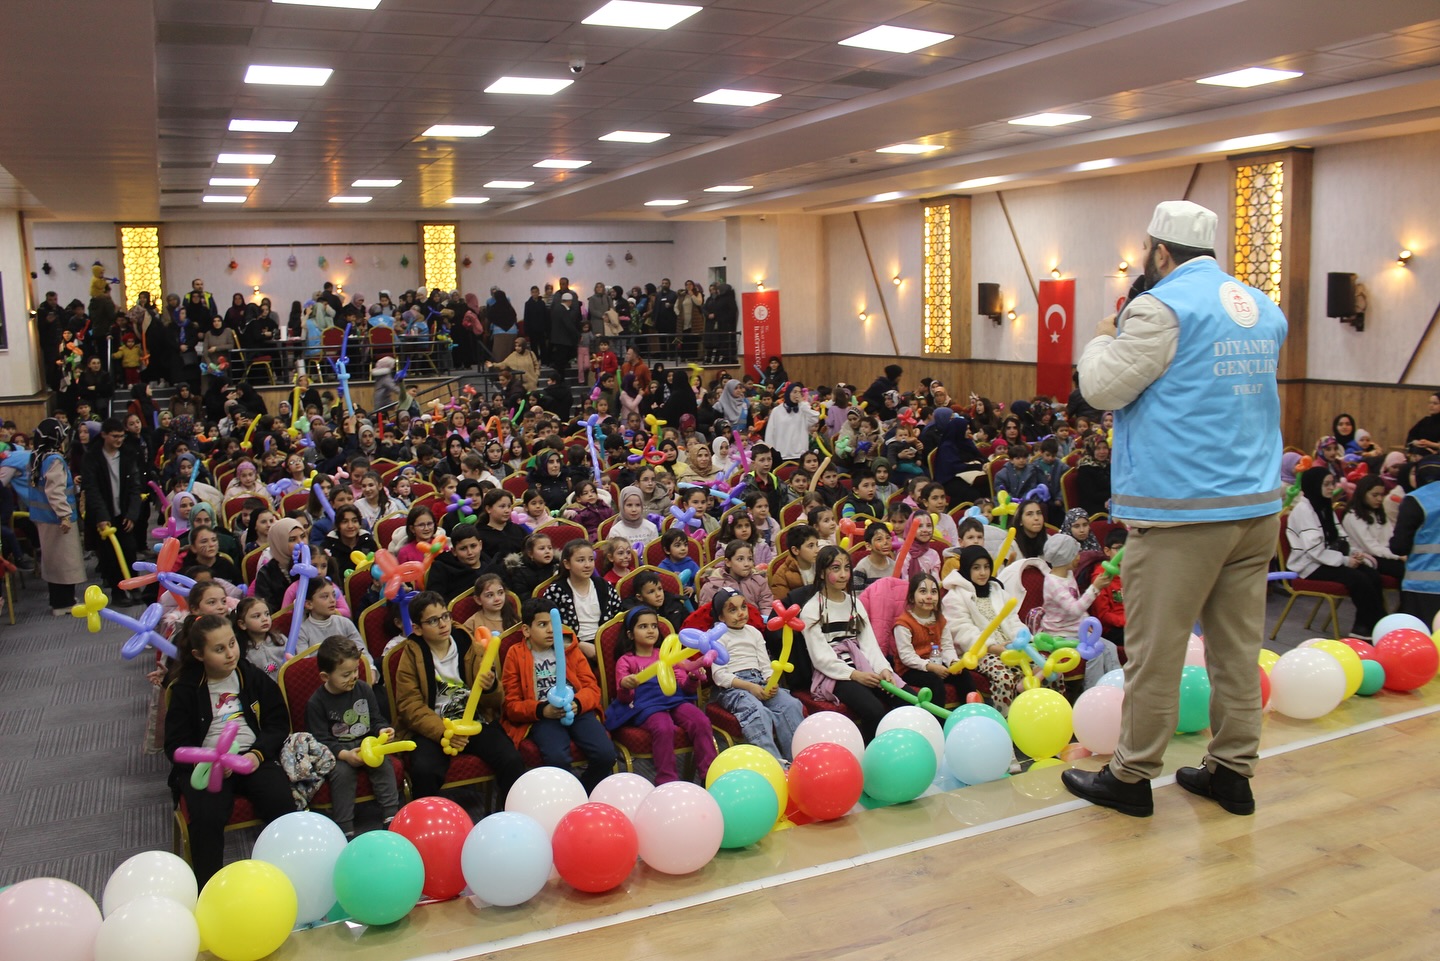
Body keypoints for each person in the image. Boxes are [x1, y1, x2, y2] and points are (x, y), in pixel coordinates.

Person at [1063, 199, 1287, 819]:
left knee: (1156, 652)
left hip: (1183, 512)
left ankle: (1131, 777)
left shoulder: (1159, 307)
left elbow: (1102, 387)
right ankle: (1232, 771)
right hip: (1255, 508)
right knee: (1237, 650)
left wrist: (1100, 338)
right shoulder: (1260, 309)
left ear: (1160, 252)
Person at [165, 613, 293, 885]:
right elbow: (175, 745)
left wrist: (257, 755)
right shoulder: (186, 689)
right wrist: (208, 765)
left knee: (280, 799)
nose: (230, 654)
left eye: (232, 644)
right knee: (206, 816)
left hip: (250, 756)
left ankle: (288, 875)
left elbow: (277, 723)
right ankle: (208, 886)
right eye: (219, 649)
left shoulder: (251, 676)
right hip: (207, 767)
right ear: (199, 655)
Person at [393, 591, 527, 800]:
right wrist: (443, 732)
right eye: (433, 620)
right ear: (418, 629)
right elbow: (410, 706)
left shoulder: (469, 645)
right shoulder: (411, 655)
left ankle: (509, 813)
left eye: (445, 616)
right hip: (434, 728)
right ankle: (429, 824)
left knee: (511, 759)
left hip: (474, 720)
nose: (443, 624)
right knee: (424, 771)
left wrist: (491, 687)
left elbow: (495, 701)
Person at [502, 598, 616, 792]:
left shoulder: (569, 648)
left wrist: (578, 704)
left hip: (576, 710)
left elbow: (591, 688)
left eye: (553, 624)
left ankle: (581, 792)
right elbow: (512, 704)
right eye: (542, 624)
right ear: (526, 630)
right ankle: (563, 796)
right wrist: (542, 710)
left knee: (606, 754)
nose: (550, 630)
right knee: (557, 758)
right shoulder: (515, 654)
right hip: (542, 716)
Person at [605, 605, 717, 784]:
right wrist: (626, 685)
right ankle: (667, 780)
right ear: (630, 634)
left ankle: (709, 774)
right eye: (643, 626)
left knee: (700, 720)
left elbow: (684, 687)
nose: (650, 630)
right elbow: (624, 698)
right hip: (646, 705)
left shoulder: (666, 655)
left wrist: (691, 678)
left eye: (654, 626)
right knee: (663, 728)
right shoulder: (626, 660)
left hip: (673, 700)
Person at [799, 546, 900, 742]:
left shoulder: (855, 602)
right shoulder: (812, 609)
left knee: (904, 698)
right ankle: (870, 757)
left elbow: (869, 644)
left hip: (863, 666)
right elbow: (821, 658)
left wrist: (883, 669)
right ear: (821, 572)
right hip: (836, 675)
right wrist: (855, 675)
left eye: (847, 568)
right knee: (874, 710)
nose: (844, 574)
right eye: (836, 568)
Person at [306, 636, 402, 838]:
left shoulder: (364, 689)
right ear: (325, 677)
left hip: (368, 743)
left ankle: (391, 816)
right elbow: (321, 740)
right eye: (345, 674)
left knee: (384, 764)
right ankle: (345, 827)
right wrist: (345, 755)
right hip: (339, 751)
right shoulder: (316, 702)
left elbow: (375, 720)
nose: (353, 677)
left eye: (356, 671)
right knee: (342, 774)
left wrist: (383, 730)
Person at [1286, 466, 1386, 638]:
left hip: (1329, 558)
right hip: (1309, 565)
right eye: (1327, 484)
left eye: (1332, 483)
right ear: (1314, 485)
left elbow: (1339, 537)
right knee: (1358, 579)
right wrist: (1346, 561)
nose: (1332, 488)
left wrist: (1353, 553)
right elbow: (1314, 551)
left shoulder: (1324, 506)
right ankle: (1377, 625)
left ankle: (1363, 627)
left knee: (1372, 575)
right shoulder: (1303, 511)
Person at [709, 589, 806, 762]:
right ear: (721, 617)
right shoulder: (717, 636)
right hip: (734, 688)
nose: (741, 613)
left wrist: (771, 681)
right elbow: (720, 676)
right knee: (758, 712)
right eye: (733, 610)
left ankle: (798, 760)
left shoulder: (753, 632)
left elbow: (765, 665)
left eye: (743, 607)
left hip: (759, 681)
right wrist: (749, 687)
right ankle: (775, 764)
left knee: (790, 704)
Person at [1, 420, 84, 614]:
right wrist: (64, 515)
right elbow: (55, 491)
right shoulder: (54, 459)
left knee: (52, 561)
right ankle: (63, 604)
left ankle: (60, 600)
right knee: (64, 562)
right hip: (57, 518)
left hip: (43, 517)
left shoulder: (37, 456)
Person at [81, 417, 146, 605]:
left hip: (124, 512)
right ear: (104, 435)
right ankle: (118, 593)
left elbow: (135, 487)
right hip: (104, 514)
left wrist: (133, 514)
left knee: (129, 550)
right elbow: (92, 489)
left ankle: (134, 587)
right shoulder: (92, 457)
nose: (119, 440)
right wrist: (101, 516)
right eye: (115, 436)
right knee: (109, 555)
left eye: (122, 436)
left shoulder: (128, 455)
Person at [892, 572, 958, 706]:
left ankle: (968, 714)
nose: (929, 596)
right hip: (910, 669)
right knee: (934, 682)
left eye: (933, 592)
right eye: (923, 591)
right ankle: (938, 722)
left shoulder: (940, 620)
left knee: (963, 676)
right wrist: (930, 666)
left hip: (936, 663)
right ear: (911, 597)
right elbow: (907, 657)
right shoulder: (903, 624)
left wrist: (952, 661)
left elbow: (947, 646)